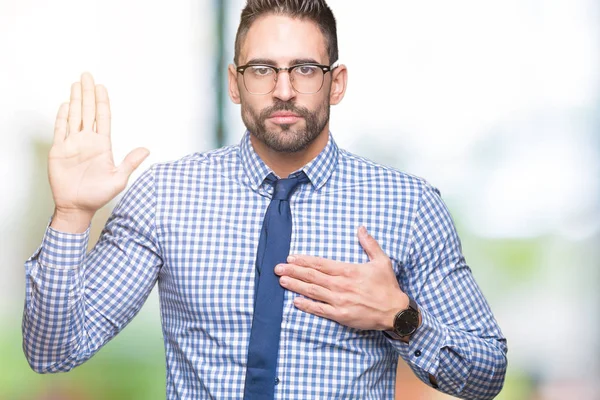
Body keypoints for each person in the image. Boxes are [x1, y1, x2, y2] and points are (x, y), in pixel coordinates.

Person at [22, 0, 507, 399]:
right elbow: (53, 351)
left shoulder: (410, 205)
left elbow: (487, 373)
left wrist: (401, 318)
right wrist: (71, 216)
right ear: (235, 83)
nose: (283, 90)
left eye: (304, 69)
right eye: (262, 70)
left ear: (335, 83)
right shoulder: (164, 197)